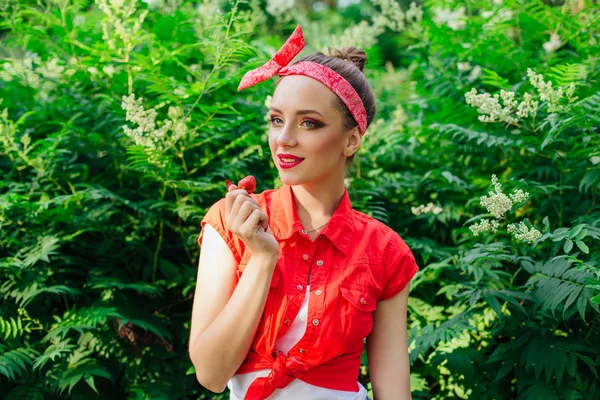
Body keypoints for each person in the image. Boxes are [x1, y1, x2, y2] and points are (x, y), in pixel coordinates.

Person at [189, 24, 419, 400]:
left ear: (351, 140)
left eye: (309, 123)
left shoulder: (385, 251)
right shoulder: (230, 221)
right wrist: (263, 258)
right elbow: (211, 374)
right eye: (277, 119)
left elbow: (394, 391)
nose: (284, 138)